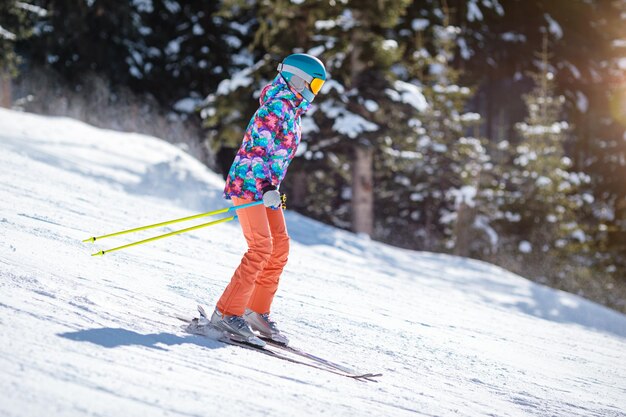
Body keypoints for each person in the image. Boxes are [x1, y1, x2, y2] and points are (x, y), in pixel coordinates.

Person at [209, 53, 327, 347]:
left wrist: (272, 186)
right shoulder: (275, 106)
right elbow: (255, 151)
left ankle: (255, 311)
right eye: (313, 84)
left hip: (266, 188)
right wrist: (264, 186)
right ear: (298, 79)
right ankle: (226, 313)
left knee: (279, 248)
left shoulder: (292, 111)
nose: (314, 92)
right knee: (261, 247)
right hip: (249, 184)